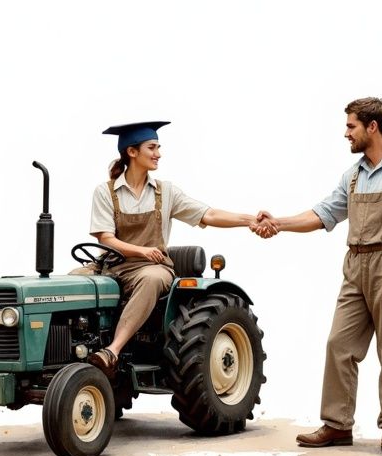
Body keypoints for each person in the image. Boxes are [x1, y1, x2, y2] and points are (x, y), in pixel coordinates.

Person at [252, 97, 382, 454]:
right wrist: (278, 223)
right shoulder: (354, 176)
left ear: (372, 127)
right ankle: (337, 425)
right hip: (355, 265)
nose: (346, 133)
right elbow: (324, 213)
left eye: (351, 126)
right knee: (338, 345)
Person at [84, 120, 259, 378]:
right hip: (112, 266)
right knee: (70, 282)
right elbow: (106, 239)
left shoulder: (165, 193)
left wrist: (249, 220)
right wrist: (141, 250)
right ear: (132, 152)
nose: (158, 154)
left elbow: (208, 214)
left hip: (152, 267)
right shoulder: (106, 192)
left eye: (158, 147)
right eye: (152, 148)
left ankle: (112, 350)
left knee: (152, 279)